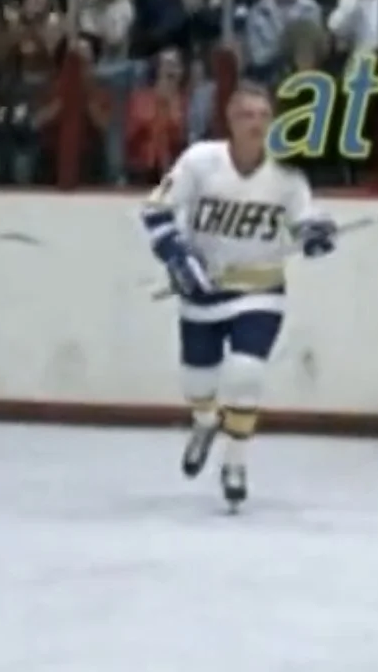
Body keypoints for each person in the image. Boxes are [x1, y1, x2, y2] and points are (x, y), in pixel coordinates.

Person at [141, 83, 339, 510]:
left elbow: (307, 224)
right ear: (229, 121)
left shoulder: (287, 176)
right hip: (205, 291)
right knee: (198, 383)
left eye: (263, 115)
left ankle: (235, 462)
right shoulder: (200, 161)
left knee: (247, 373)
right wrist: (178, 258)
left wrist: (317, 237)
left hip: (260, 288)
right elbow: (155, 210)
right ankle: (204, 420)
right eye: (247, 115)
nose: (256, 124)